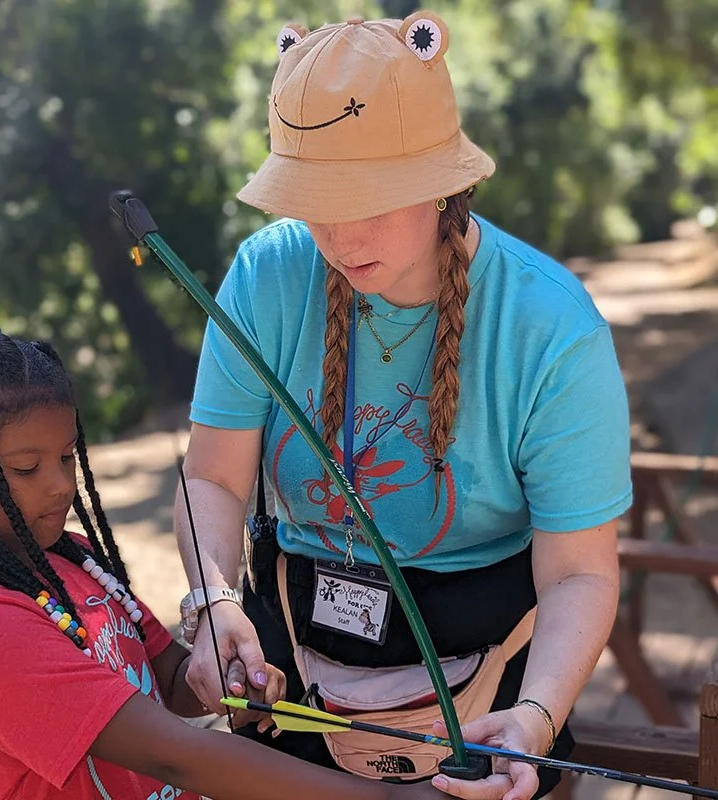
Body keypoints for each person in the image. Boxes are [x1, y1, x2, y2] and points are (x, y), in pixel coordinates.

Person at [176, 9, 632, 800]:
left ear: (444, 184)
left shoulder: (550, 329)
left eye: (371, 202)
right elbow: (212, 478)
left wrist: (535, 715)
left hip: (488, 688)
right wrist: (213, 602)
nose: (341, 238)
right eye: (315, 204)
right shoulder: (265, 277)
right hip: (294, 667)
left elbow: (578, 573)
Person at [0, 326, 443, 800]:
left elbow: (168, 679)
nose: (61, 486)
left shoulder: (70, 556)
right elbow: (175, 757)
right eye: (26, 468)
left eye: (66, 456)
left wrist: (228, 679)